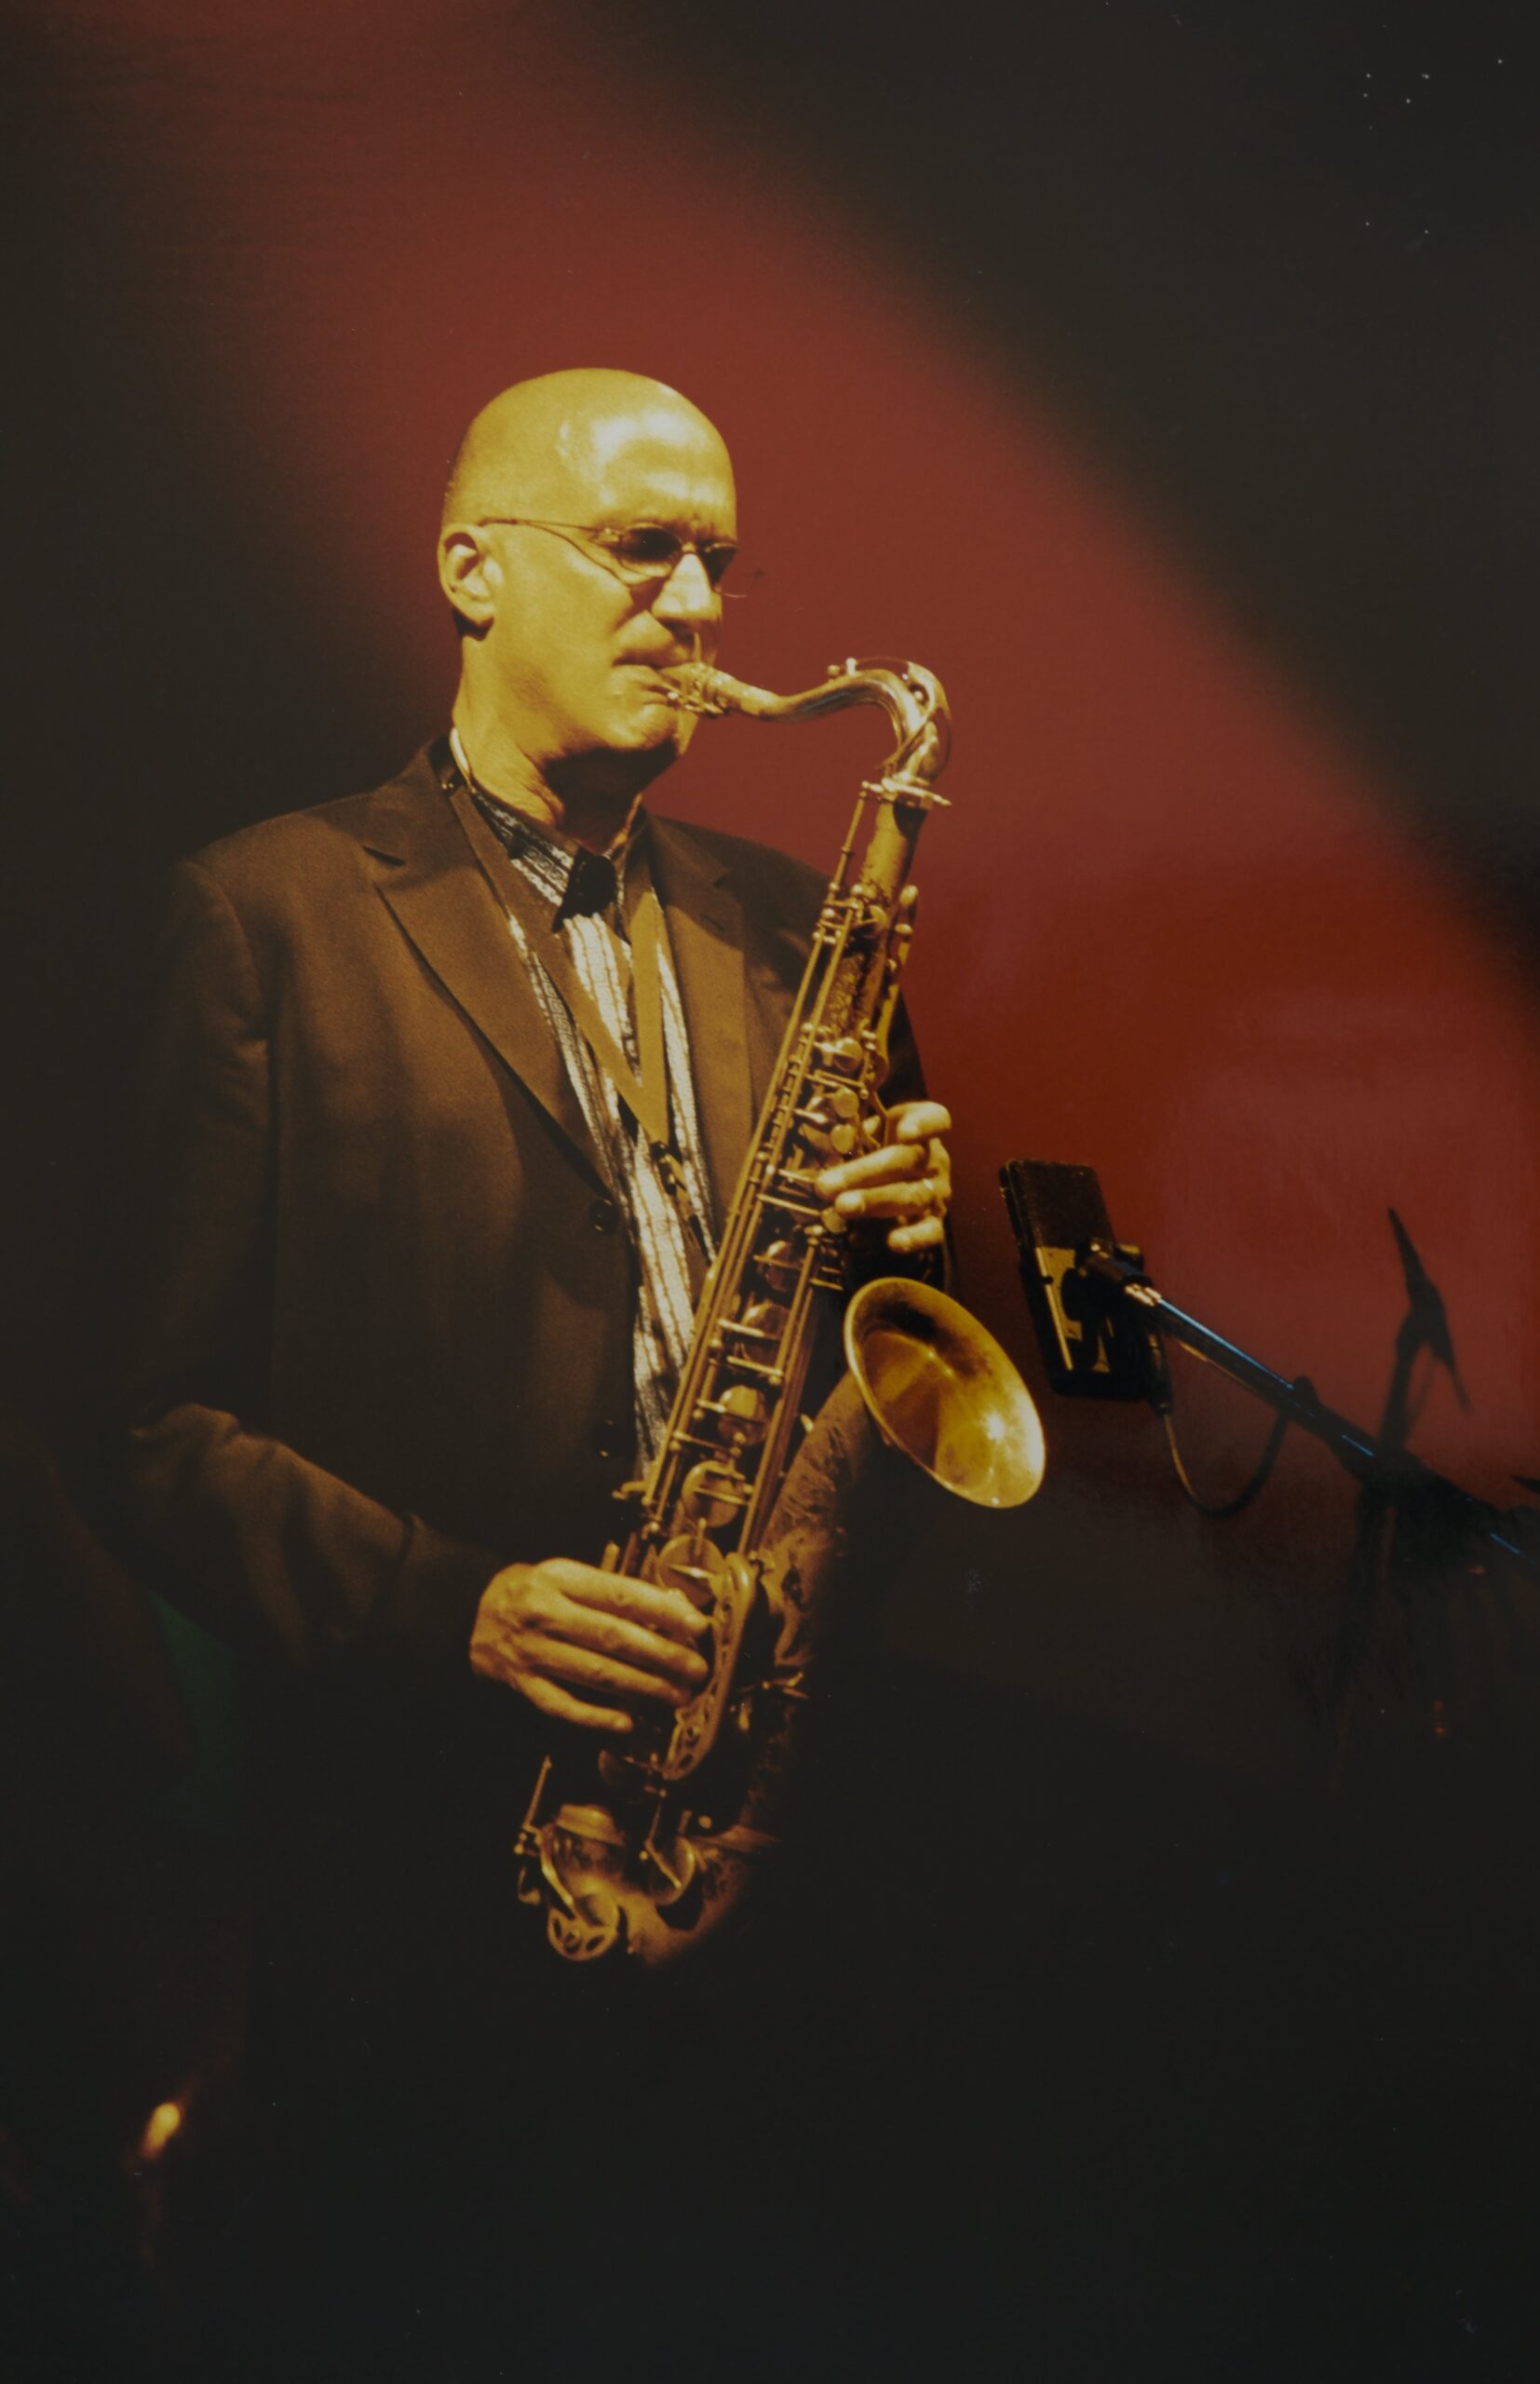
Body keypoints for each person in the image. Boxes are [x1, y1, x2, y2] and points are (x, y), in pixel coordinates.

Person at [107, 370, 953, 2365]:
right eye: (641, 549)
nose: (698, 607)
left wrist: (894, 1230)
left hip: (753, 1823)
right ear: (471, 570)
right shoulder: (261, 915)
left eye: (719, 562)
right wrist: (457, 1604)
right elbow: (141, 1420)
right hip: (414, 1847)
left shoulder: (790, 922)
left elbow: (855, 1348)